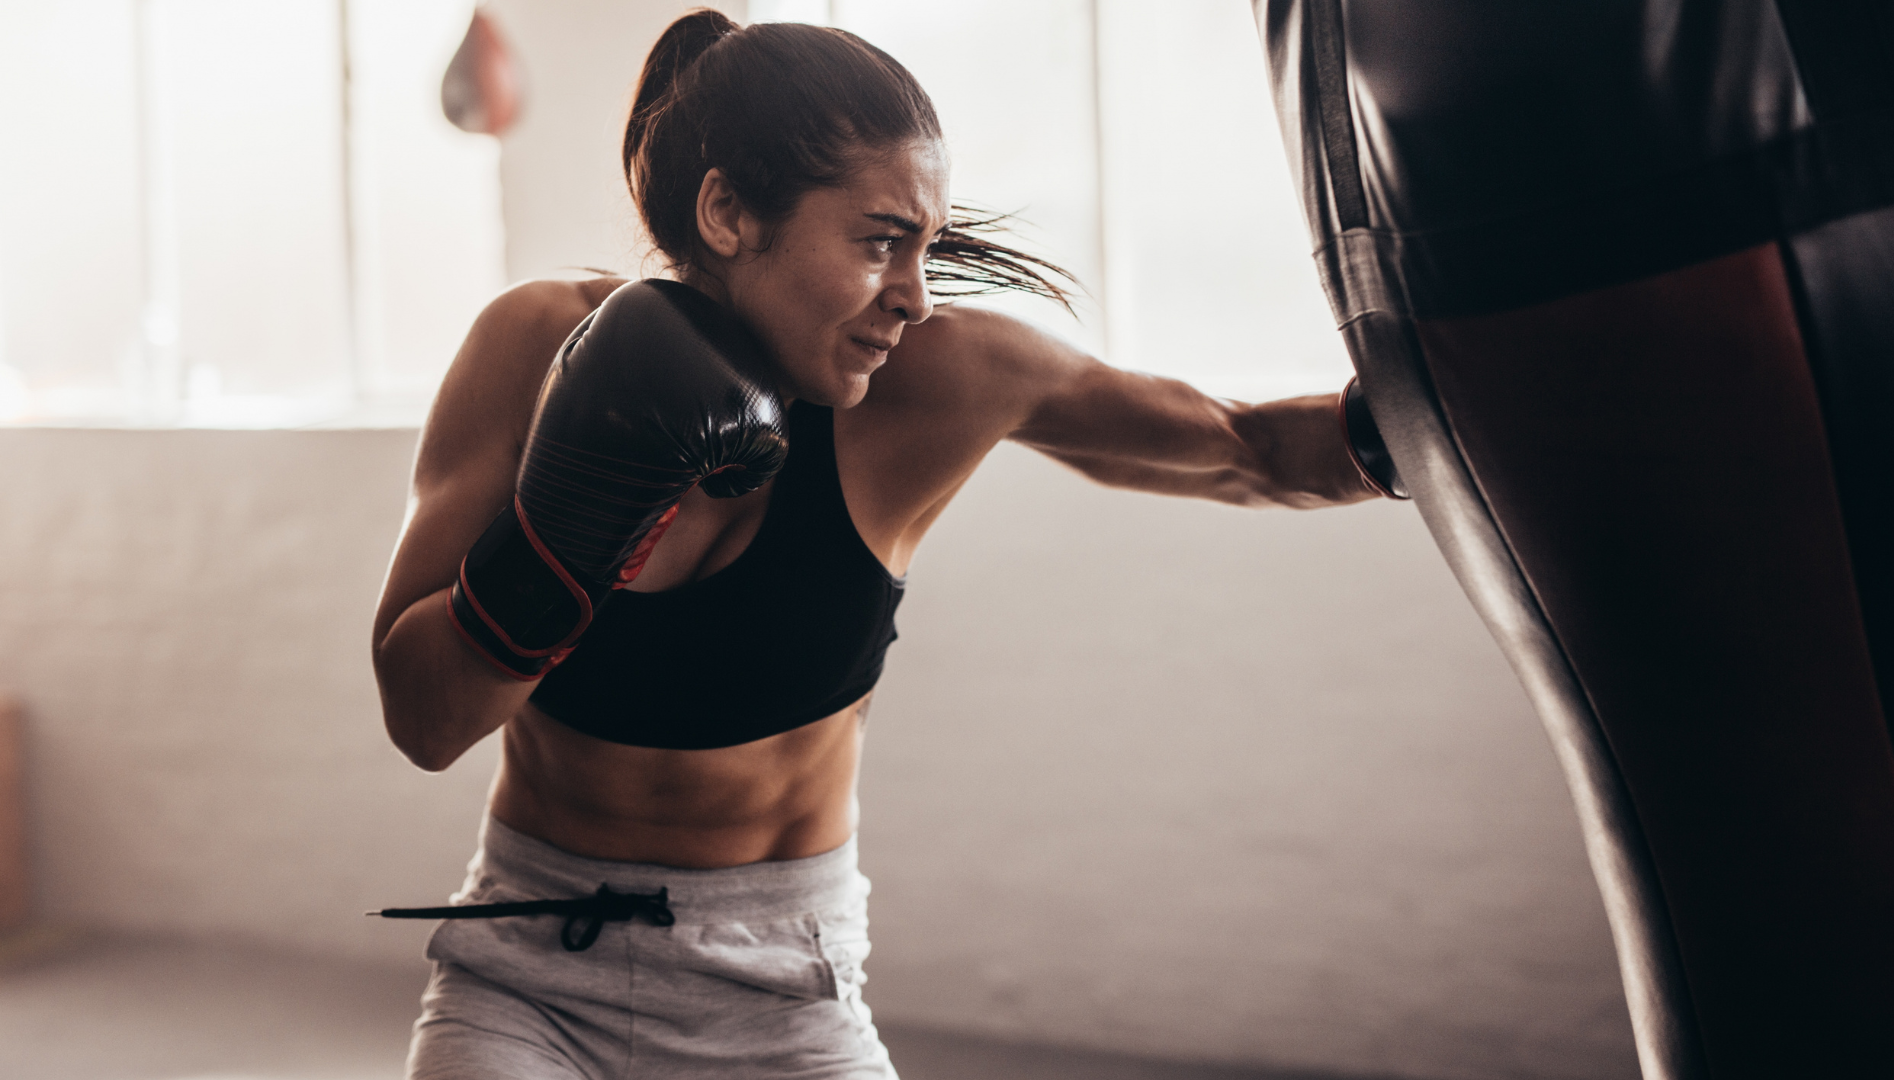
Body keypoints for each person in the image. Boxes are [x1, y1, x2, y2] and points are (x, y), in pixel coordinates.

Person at [371, 10, 1398, 1080]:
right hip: (529, 976)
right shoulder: (530, 347)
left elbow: (1246, 450)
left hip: (780, 995)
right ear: (726, 210)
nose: (913, 296)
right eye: (879, 242)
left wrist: (1465, 404)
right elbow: (424, 721)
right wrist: (574, 522)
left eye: (928, 248)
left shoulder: (942, 383)